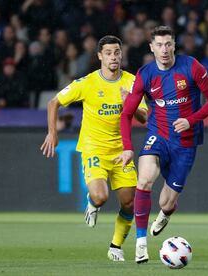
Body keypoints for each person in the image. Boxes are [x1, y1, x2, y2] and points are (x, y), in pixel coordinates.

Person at [115, 26, 208, 264]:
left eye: (168, 44)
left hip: (186, 141)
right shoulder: (145, 74)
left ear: (174, 46)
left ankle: (166, 213)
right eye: (159, 45)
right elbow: (126, 114)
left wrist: (191, 120)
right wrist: (127, 147)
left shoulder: (192, 67)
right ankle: (141, 244)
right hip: (158, 135)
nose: (164, 50)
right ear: (151, 47)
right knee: (144, 180)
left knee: (166, 202)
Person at [40, 35, 148, 262]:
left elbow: (145, 118)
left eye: (117, 52)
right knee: (100, 197)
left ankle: (115, 246)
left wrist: (131, 102)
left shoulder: (132, 82)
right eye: (108, 53)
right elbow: (54, 102)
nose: (113, 57)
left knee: (129, 202)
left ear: (121, 54)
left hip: (122, 150)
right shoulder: (88, 83)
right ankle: (92, 204)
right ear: (100, 56)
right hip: (94, 149)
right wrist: (53, 132)